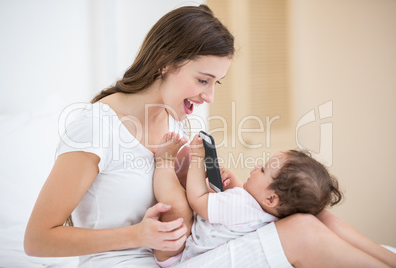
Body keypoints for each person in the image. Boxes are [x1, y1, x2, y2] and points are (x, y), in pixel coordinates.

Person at [24, 4, 396, 268]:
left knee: (309, 213)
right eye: (203, 80)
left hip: (188, 254)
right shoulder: (96, 127)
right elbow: (37, 239)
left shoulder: (174, 120)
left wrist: (222, 189)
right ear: (166, 61)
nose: (209, 97)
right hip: (130, 260)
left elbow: (189, 205)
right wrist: (137, 236)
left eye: (217, 83)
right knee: (300, 232)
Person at [152, 133, 392, 267]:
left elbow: (198, 199)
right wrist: (235, 181)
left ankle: (163, 164)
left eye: (263, 169)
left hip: (179, 255)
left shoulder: (240, 206)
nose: (257, 166)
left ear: (271, 198)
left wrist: (197, 159)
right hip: (197, 246)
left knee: (178, 205)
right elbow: (244, 210)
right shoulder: (275, 212)